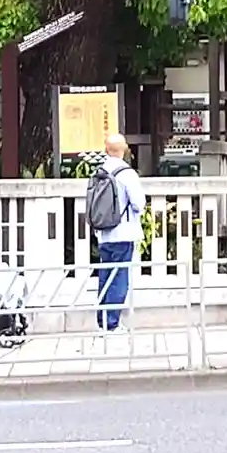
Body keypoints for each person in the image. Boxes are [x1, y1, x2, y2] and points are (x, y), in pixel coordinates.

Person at [91, 134, 144, 333]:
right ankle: (112, 324)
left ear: (106, 150)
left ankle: (102, 321)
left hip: (103, 232)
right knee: (119, 278)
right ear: (124, 149)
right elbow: (138, 203)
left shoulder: (99, 172)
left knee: (105, 277)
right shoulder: (127, 173)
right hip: (123, 231)